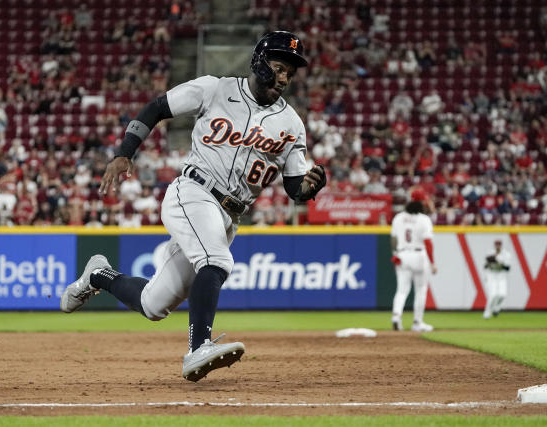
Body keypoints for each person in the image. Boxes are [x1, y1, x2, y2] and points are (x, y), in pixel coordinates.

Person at [60, 31, 326, 381]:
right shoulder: (215, 89)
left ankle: (98, 274)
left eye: (290, 72)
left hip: (230, 216)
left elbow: (294, 188)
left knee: (154, 306)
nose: (284, 77)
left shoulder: (292, 124)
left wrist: (309, 188)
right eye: (278, 67)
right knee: (216, 260)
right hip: (194, 192)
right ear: (259, 62)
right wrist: (124, 153)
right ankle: (198, 348)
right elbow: (157, 107)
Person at [390, 189, 437, 332]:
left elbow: (393, 239)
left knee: (402, 290)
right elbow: (428, 243)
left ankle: (396, 316)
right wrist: (432, 262)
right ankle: (417, 322)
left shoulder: (398, 217)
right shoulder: (424, 219)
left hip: (403, 255)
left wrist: (395, 254)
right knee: (421, 290)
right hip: (419, 255)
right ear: (422, 202)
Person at [483, 240, 511, 319]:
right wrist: (491, 262)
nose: (497, 247)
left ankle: (496, 308)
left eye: (499, 245)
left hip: (501, 276)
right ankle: (487, 312)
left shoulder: (506, 254)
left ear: (501, 246)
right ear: (494, 245)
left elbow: (507, 268)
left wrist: (499, 264)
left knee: (502, 295)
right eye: (496, 245)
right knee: (493, 295)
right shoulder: (490, 253)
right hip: (492, 276)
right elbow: (485, 266)